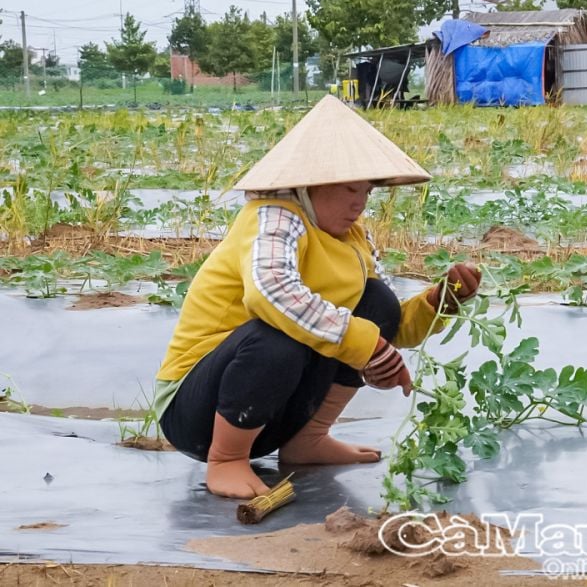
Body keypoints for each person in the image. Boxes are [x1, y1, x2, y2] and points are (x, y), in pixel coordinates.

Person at [153, 96, 481, 499]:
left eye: (366, 190)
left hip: (273, 411)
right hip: (198, 411)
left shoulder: (353, 237)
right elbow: (272, 293)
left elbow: (387, 324)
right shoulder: (272, 217)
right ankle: (227, 460)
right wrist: (366, 347)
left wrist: (441, 301)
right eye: (347, 188)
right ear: (309, 184)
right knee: (277, 333)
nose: (359, 203)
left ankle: (307, 439)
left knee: (375, 299)